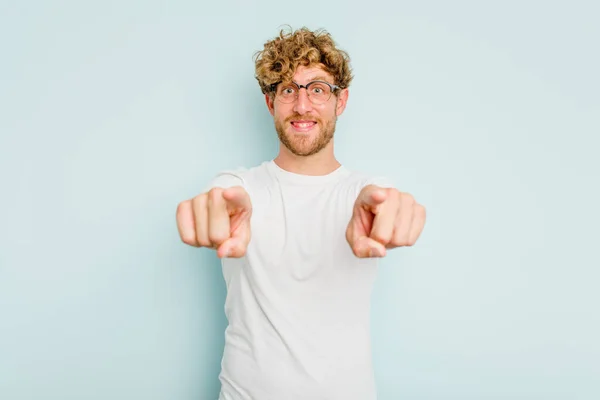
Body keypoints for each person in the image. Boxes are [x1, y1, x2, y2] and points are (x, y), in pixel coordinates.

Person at [176, 26, 426, 400]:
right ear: (269, 102)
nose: (303, 105)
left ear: (340, 102)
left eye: (318, 89)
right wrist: (215, 210)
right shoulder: (238, 186)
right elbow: (223, 197)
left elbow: (380, 198)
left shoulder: (365, 191)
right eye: (288, 90)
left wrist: (390, 209)